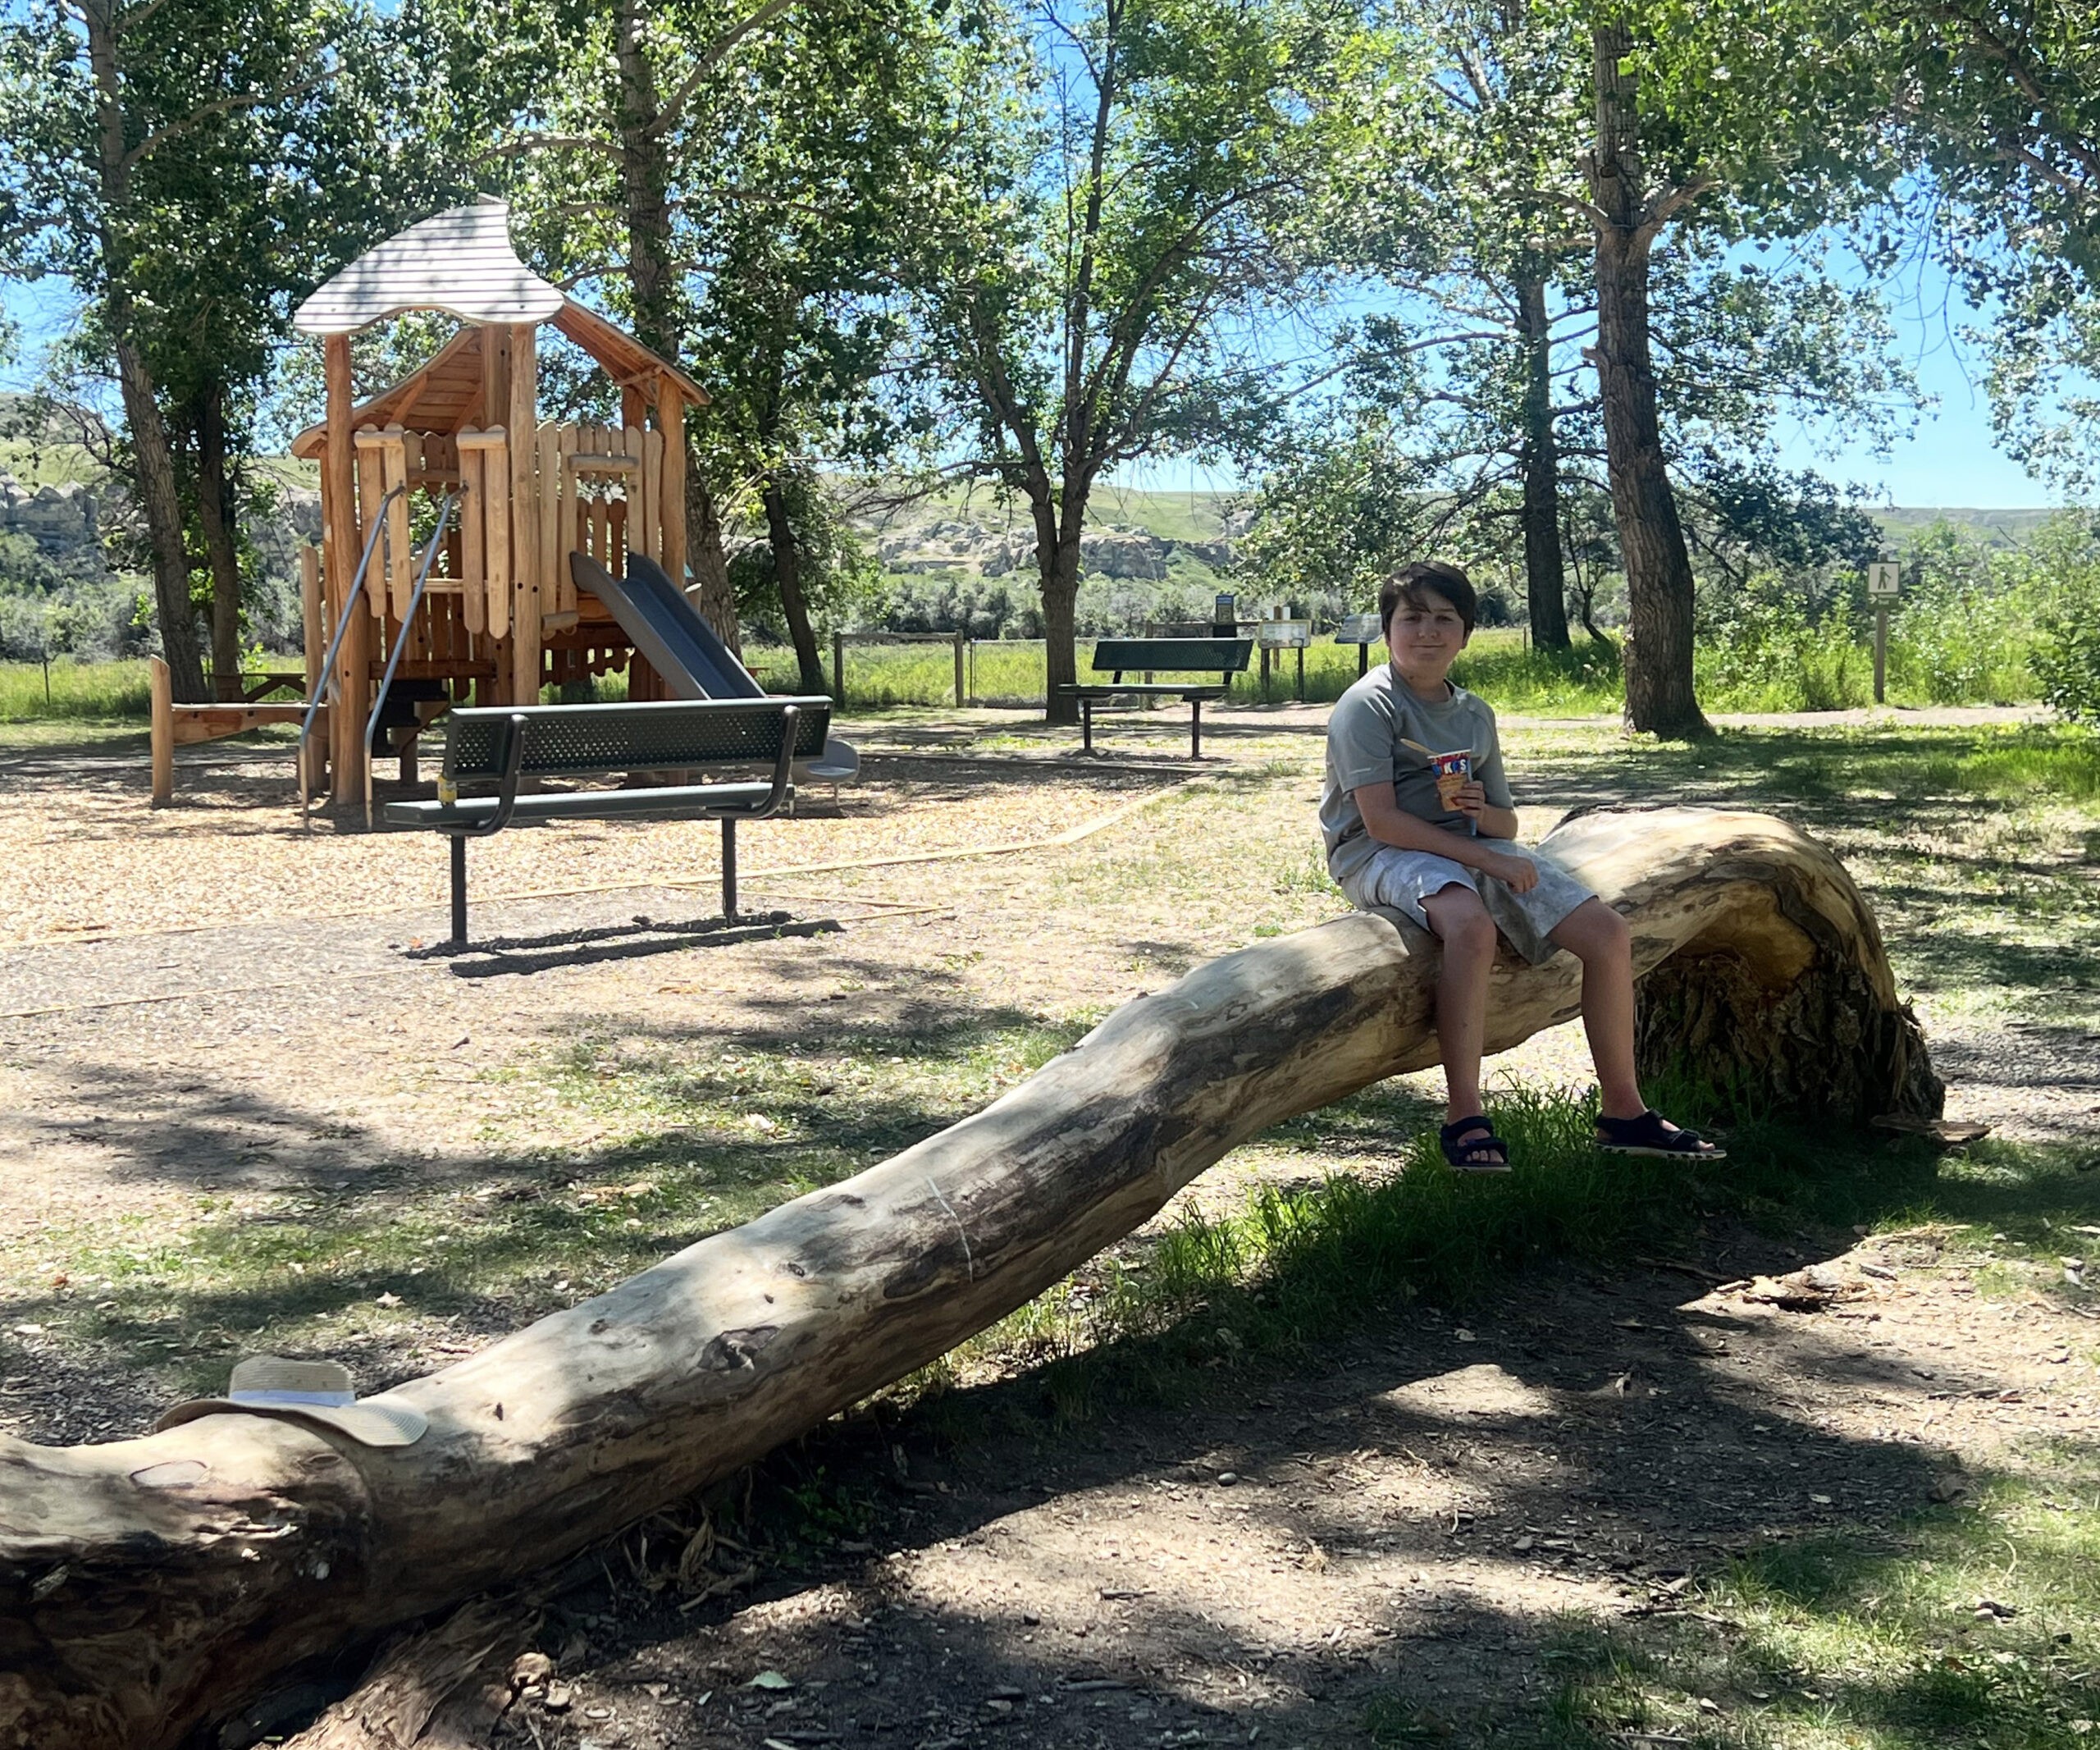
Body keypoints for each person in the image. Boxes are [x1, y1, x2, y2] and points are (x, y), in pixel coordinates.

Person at [1319, 560, 1723, 1172]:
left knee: (1608, 934)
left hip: (1465, 845)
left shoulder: (1474, 714)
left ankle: (1623, 1112)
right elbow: (1381, 822)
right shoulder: (1369, 706)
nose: (1427, 632)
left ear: (1465, 633)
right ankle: (1464, 1115)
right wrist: (1483, 855)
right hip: (1379, 853)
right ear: (1387, 628)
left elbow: (1508, 823)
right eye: (1412, 618)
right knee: (1471, 926)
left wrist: (1484, 821)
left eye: (1443, 619)